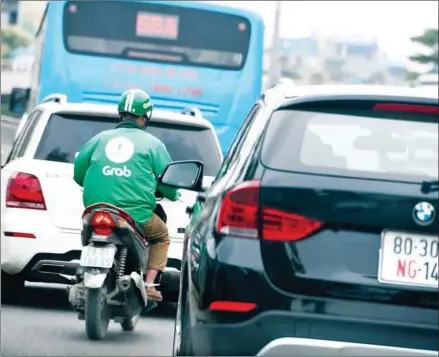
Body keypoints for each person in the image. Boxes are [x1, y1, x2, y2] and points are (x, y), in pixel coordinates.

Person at [73, 89, 180, 301]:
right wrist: (172, 193)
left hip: (95, 211)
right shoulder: (153, 144)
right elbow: (169, 183)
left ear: (120, 113)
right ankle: (149, 284)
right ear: (146, 116)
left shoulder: (99, 139)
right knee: (160, 236)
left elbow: (78, 174)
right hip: (135, 216)